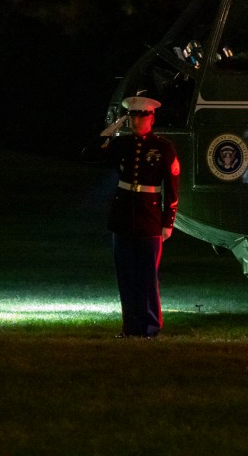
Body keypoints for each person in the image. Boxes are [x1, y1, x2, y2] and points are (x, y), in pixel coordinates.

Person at [98, 95, 180, 338]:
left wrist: (168, 221)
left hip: (149, 217)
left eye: (140, 116)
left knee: (147, 275)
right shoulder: (121, 144)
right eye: (132, 116)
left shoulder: (163, 147)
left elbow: (172, 187)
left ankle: (149, 327)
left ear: (151, 118)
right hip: (123, 215)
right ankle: (130, 326)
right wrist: (112, 128)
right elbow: (91, 153)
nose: (135, 121)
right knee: (126, 274)